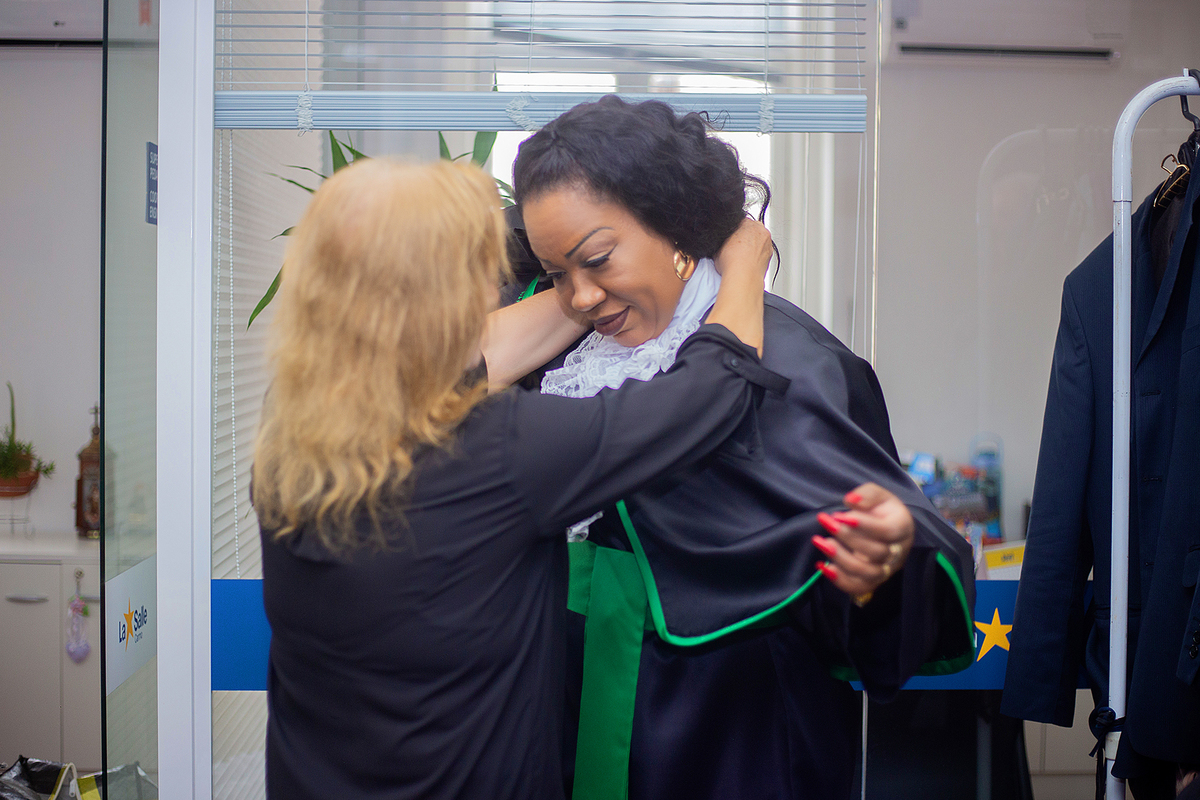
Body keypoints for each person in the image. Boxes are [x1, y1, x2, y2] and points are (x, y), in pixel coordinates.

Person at [251, 157, 784, 800]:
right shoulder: (501, 454)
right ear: (436, 299)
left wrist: (582, 273)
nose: (492, 285)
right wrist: (744, 258)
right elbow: (716, 390)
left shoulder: (292, 428)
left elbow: (488, 352)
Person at [498, 95, 977, 800]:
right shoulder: (558, 364)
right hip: (557, 732)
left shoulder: (796, 359)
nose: (580, 296)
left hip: (729, 742)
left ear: (673, 222)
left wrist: (881, 568)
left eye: (597, 259)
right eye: (556, 272)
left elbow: (886, 578)